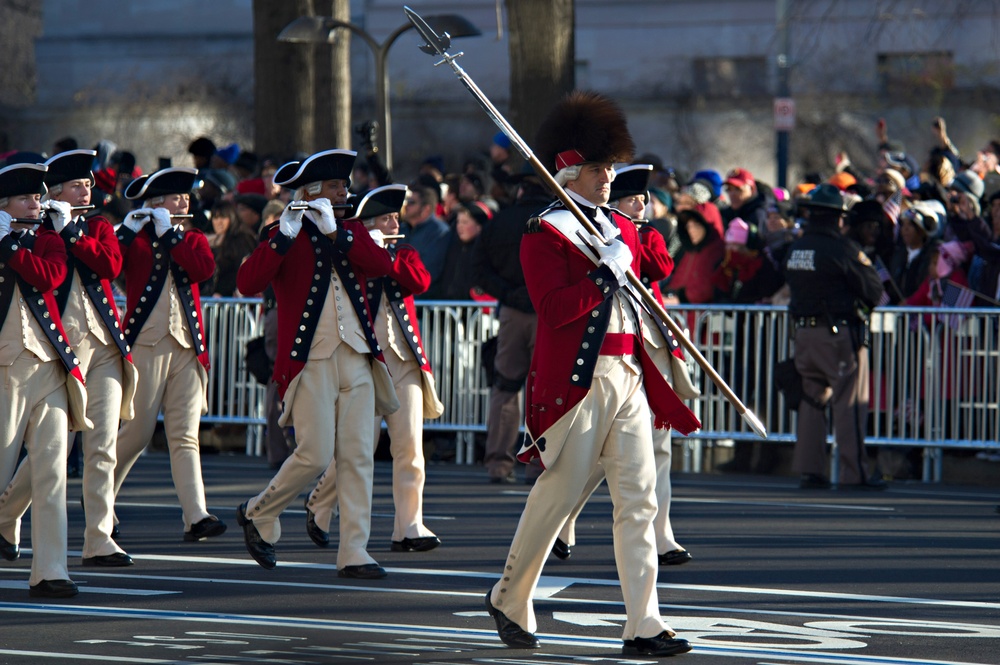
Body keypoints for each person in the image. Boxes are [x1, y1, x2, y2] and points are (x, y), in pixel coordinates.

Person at [484, 91, 697, 657]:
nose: (610, 178)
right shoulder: (544, 232)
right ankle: (509, 593)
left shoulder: (619, 230)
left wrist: (621, 255)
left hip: (628, 372)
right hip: (579, 381)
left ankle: (643, 622)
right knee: (559, 494)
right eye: (601, 169)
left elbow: (645, 283)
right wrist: (604, 273)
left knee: (641, 500)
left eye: (610, 167)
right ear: (570, 173)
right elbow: (552, 312)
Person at [233, 149, 396, 578]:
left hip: (358, 355)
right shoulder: (282, 232)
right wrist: (283, 237)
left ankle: (355, 550)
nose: (345, 192)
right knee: (315, 452)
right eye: (335, 186)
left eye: (344, 186)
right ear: (308, 192)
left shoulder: (351, 229)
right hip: (310, 360)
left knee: (360, 455)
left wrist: (338, 234)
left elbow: (383, 266)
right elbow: (247, 284)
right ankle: (258, 512)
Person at [552, 162, 696, 566]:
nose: (640, 205)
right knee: (600, 455)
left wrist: (640, 232)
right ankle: (563, 516)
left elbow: (660, 267)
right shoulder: (601, 232)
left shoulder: (642, 232)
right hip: (617, 346)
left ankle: (662, 534)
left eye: (643, 199)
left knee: (657, 447)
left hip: (652, 342)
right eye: (632, 199)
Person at [0, 150, 137, 570]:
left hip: (104, 349)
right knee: (50, 454)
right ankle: (7, 514)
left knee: (103, 446)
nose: (87, 190)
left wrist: (72, 230)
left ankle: (97, 537)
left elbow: (111, 264)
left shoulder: (93, 226)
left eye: (89, 185)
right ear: (54, 191)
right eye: (78, 185)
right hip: (60, 349)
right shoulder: (34, 230)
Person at [303, 184, 444, 553]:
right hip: (367, 360)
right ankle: (320, 503)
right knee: (359, 445)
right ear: (366, 225)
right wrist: (369, 248)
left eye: (396, 215)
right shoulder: (351, 254)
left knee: (410, 446)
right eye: (387, 217)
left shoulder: (404, 252)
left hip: (405, 361)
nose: (396, 221)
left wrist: (388, 254)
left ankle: (409, 525)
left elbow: (420, 282)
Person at [113, 167, 228, 541]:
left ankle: (196, 515)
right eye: (178, 196)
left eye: (186, 195)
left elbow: (203, 269)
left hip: (187, 346)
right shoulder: (135, 238)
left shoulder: (190, 237)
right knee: (138, 432)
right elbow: (110, 266)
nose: (187, 201)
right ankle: (101, 497)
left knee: (185, 434)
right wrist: (128, 232)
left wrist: (171, 235)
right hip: (146, 343)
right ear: (156, 201)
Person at [0, 162, 91, 598]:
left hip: (51, 367)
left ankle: (51, 569)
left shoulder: (49, 239)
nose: (37, 203)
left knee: (52, 471)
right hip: (4, 369)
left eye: (38, 196)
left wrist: (9, 245)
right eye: (26, 198)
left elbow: (50, 276)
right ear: (5, 205)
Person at [782, 184, 886, 490]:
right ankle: (856, 474)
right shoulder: (842, 249)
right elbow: (874, 290)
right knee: (849, 403)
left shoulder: (796, 248)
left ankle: (810, 471)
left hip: (804, 334)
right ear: (837, 218)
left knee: (812, 402)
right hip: (838, 335)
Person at [471, 170, 550, 485]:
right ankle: (539, 464)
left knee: (505, 388)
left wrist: (507, 293)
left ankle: (498, 463)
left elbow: (478, 268)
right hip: (547, 313)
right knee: (543, 391)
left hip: (512, 312)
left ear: (521, 191)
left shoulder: (498, 223)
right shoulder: (556, 221)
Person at [399, 184, 450, 296]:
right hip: (402, 298)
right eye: (406, 201)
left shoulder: (439, 232)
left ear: (426, 209)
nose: (406, 205)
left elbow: (430, 271)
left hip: (426, 303)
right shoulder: (401, 228)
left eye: (412, 202)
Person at [438, 201, 492, 301]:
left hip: (474, 310)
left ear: (479, 226)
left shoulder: (487, 252)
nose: (460, 226)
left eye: (465, 222)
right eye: (458, 221)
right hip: (448, 309)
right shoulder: (452, 245)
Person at [205, 200, 257, 297]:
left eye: (223, 217)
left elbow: (238, 270)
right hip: (210, 299)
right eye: (215, 217)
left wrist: (223, 292)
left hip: (233, 299)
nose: (219, 221)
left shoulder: (242, 240)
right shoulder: (208, 241)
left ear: (231, 218)